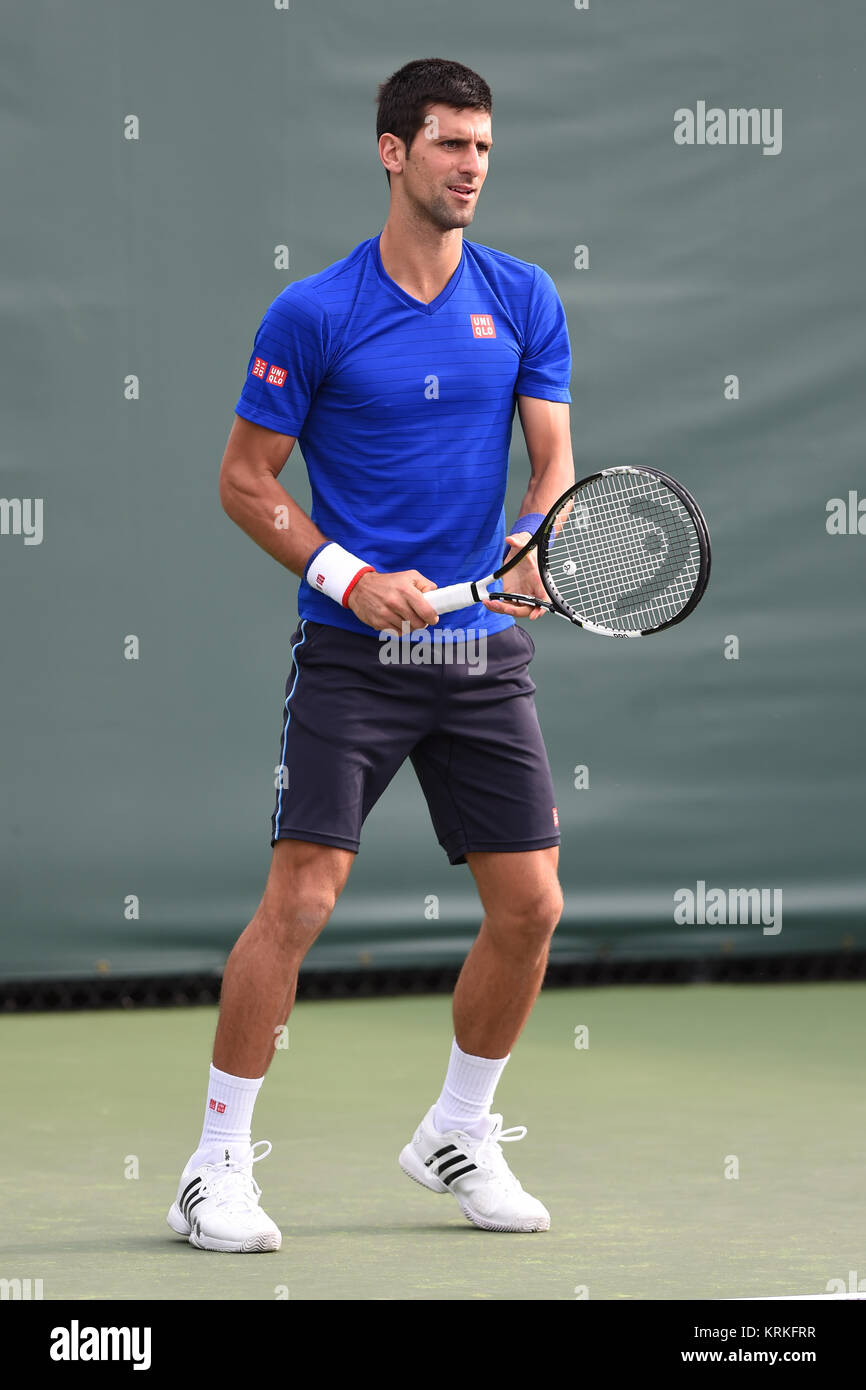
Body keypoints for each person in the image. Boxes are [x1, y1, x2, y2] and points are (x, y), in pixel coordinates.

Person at [167, 57, 574, 1252]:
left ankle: (456, 1129)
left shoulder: (524, 296)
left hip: (480, 652)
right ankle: (212, 1166)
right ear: (392, 152)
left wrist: (532, 536)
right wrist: (349, 575)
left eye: (485, 148)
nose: (470, 168)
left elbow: (551, 460)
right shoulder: (315, 313)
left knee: (531, 904)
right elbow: (246, 482)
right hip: (353, 655)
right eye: (449, 145)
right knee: (300, 899)